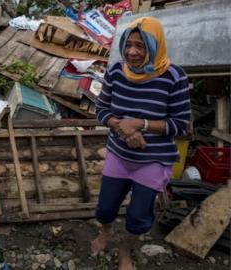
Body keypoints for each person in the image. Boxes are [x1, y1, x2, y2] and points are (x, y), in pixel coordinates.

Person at [92, 17, 190, 270]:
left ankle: (126, 250)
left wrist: (140, 124)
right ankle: (105, 233)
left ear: (155, 46)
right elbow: (101, 108)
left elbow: (181, 124)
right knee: (104, 209)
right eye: (128, 45)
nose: (132, 52)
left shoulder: (173, 77)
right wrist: (122, 128)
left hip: (153, 160)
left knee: (138, 217)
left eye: (141, 46)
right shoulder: (115, 71)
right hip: (119, 154)